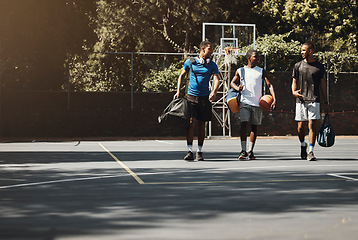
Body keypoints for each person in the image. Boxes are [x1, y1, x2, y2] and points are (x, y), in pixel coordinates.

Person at [174, 41, 220, 161]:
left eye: (212, 49)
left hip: (205, 97)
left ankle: (199, 151)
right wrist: (178, 91)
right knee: (190, 123)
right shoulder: (190, 62)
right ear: (202, 49)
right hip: (191, 97)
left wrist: (213, 92)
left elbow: (216, 79)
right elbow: (181, 75)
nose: (211, 51)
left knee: (201, 125)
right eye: (209, 49)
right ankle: (189, 151)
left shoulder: (212, 65)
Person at [230, 49, 276, 160]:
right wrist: (237, 87)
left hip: (257, 103)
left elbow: (269, 85)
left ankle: (250, 151)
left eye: (258, 57)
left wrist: (274, 98)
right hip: (244, 101)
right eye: (255, 56)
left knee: (254, 126)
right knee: (243, 124)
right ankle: (243, 150)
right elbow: (232, 83)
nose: (257, 59)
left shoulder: (261, 71)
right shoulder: (241, 70)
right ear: (249, 58)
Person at [292, 42, 329, 161]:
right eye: (301, 50)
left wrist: (326, 101)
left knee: (312, 125)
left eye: (304, 50)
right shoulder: (297, 65)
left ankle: (311, 151)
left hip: (314, 99)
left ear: (311, 51)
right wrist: (293, 92)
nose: (302, 52)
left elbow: (323, 85)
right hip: (301, 100)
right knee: (300, 127)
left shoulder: (319, 67)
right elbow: (294, 81)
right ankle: (303, 145)